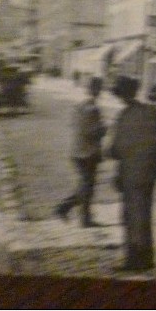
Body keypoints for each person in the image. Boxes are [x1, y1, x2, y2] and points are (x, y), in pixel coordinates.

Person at [108, 75, 156, 272]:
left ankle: (133, 261)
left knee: (131, 216)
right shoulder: (150, 111)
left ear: (122, 96)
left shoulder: (123, 117)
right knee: (145, 214)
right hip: (150, 173)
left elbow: (114, 150)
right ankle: (148, 258)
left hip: (131, 174)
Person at [55, 76, 106, 227]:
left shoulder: (79, 105)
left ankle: (68, 210)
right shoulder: (93, 108)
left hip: (77, 151)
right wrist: (104, 129)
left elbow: (74, 125)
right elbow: (92, 132)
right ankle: (80, 217)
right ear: (97, 89)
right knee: (87, 187)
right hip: (88, 153)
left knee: (85, 185)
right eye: (99, 88)